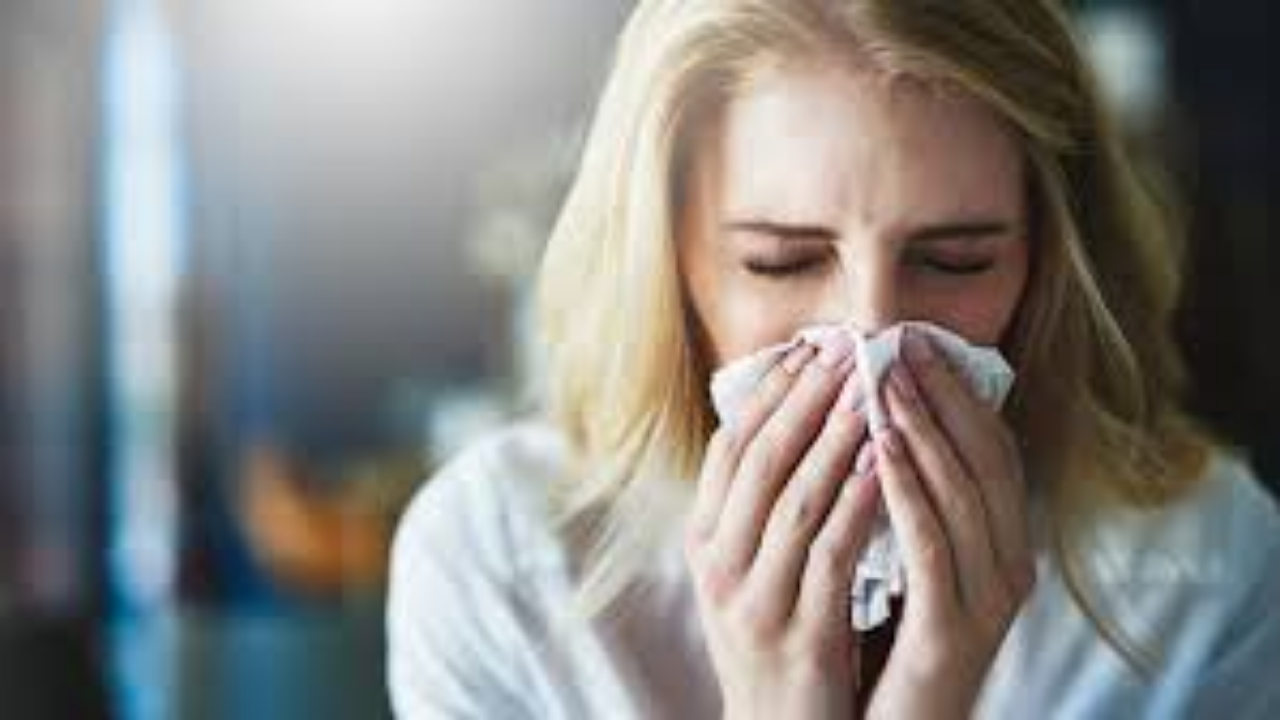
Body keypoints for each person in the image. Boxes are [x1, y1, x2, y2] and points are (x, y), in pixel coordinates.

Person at [386, 0, 1280, 717]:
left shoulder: (1205, 576)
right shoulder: (499, 567)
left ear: (1047, 265)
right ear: (668, 268)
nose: (872, 335)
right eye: (782, 261)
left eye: (954, 261)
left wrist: (934, 690)